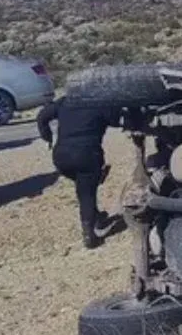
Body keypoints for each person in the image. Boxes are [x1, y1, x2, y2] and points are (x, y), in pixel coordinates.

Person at [36, 96, 124, 249]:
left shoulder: (66, 101)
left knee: (84, 187)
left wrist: (47, 137)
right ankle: (90, 235)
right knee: (86, 194)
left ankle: (95, 215)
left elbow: (42, 116)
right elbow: (116, 120)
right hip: (87, 155)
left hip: (61, 158)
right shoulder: (100, 102)